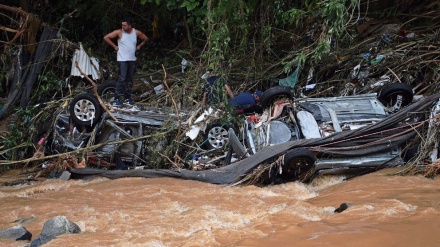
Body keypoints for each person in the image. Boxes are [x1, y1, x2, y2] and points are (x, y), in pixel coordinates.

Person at [103, 17, 149, 107]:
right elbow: (106, 37)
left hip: (132, 59)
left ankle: (128, 98)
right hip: (122, 59)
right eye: (122, 25)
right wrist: (114, 46)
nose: (122, 26)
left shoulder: (136, 32)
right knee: (122, 78)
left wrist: (139, 46)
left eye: (124, 25)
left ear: (129, 26)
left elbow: (145, 38)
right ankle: (117, 98)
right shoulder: (119, 32)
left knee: (130, 79)